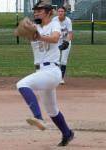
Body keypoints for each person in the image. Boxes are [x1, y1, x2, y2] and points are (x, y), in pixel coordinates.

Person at [16, 1, 74, 147]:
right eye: (35, 10)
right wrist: (23, 27)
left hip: (52, 71)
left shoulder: (54, 24)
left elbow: (55, 38)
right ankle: (67, 133)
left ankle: (38, 118)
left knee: (22, 84)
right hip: (41, 72)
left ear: (48, 12)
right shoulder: (35, 27)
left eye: (40, 10)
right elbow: (18, 32)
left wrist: (38, 36)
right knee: (52, 110)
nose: (36, 12)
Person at [52, 6, 73, 84]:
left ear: (65, 13)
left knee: (63, 60)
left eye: (62, 11)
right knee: (55, 59)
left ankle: (61, 78)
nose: (60, 13)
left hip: (66, 41)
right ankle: (55, 77)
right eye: (59, 11)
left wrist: (66, 42)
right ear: (57, 12)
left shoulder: (68, 21)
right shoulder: (54, 20)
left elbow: (70, 33)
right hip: (56, 41)